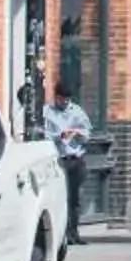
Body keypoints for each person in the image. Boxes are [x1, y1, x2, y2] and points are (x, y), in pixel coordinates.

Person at [44, 80, 93, 244]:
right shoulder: (47, 112)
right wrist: (59, 136)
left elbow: (87, 135)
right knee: (60, 198)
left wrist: (75, 132)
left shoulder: (77, 112)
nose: (64, 102)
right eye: (61, 99)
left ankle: (74, 233)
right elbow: (43, 135)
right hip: (58, 160)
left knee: (75, 199)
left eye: (66, 100)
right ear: (55, 96)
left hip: (76, 159)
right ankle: (61, 234)